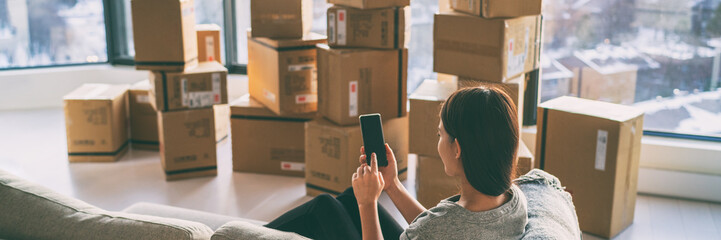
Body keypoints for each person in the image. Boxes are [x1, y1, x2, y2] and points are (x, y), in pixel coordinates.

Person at [265, 86, 527, 239]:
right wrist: (392, 185)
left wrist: (368, 203)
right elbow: (441, 229)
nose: (438, 143)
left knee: (324, 207)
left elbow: (436, 229)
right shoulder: (514, 198)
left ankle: (237, 235)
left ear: (457, 148)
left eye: (440, 135)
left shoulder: (439, 226)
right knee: (347, 200)